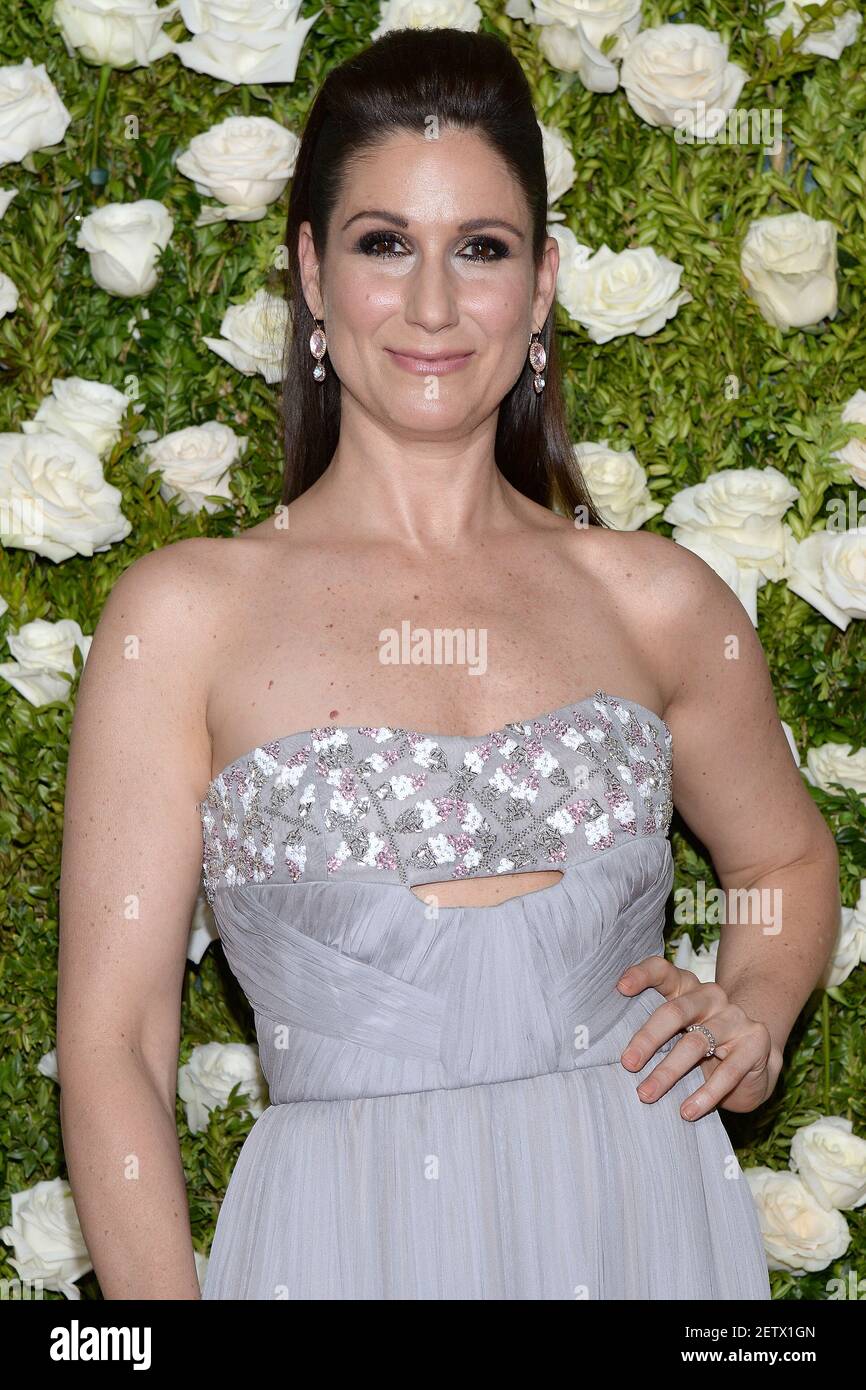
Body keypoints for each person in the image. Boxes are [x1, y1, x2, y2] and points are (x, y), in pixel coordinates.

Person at [57, 27, 839, 1300]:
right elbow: (116, 1044)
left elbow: (784, 858)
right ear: (311, 272)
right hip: (340, 1246)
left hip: (638, 1229)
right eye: (383, 244)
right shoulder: (183, 616)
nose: (432, 305)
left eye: (479, 248)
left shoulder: (650, 597)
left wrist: (751, 1002)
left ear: (537, 287)